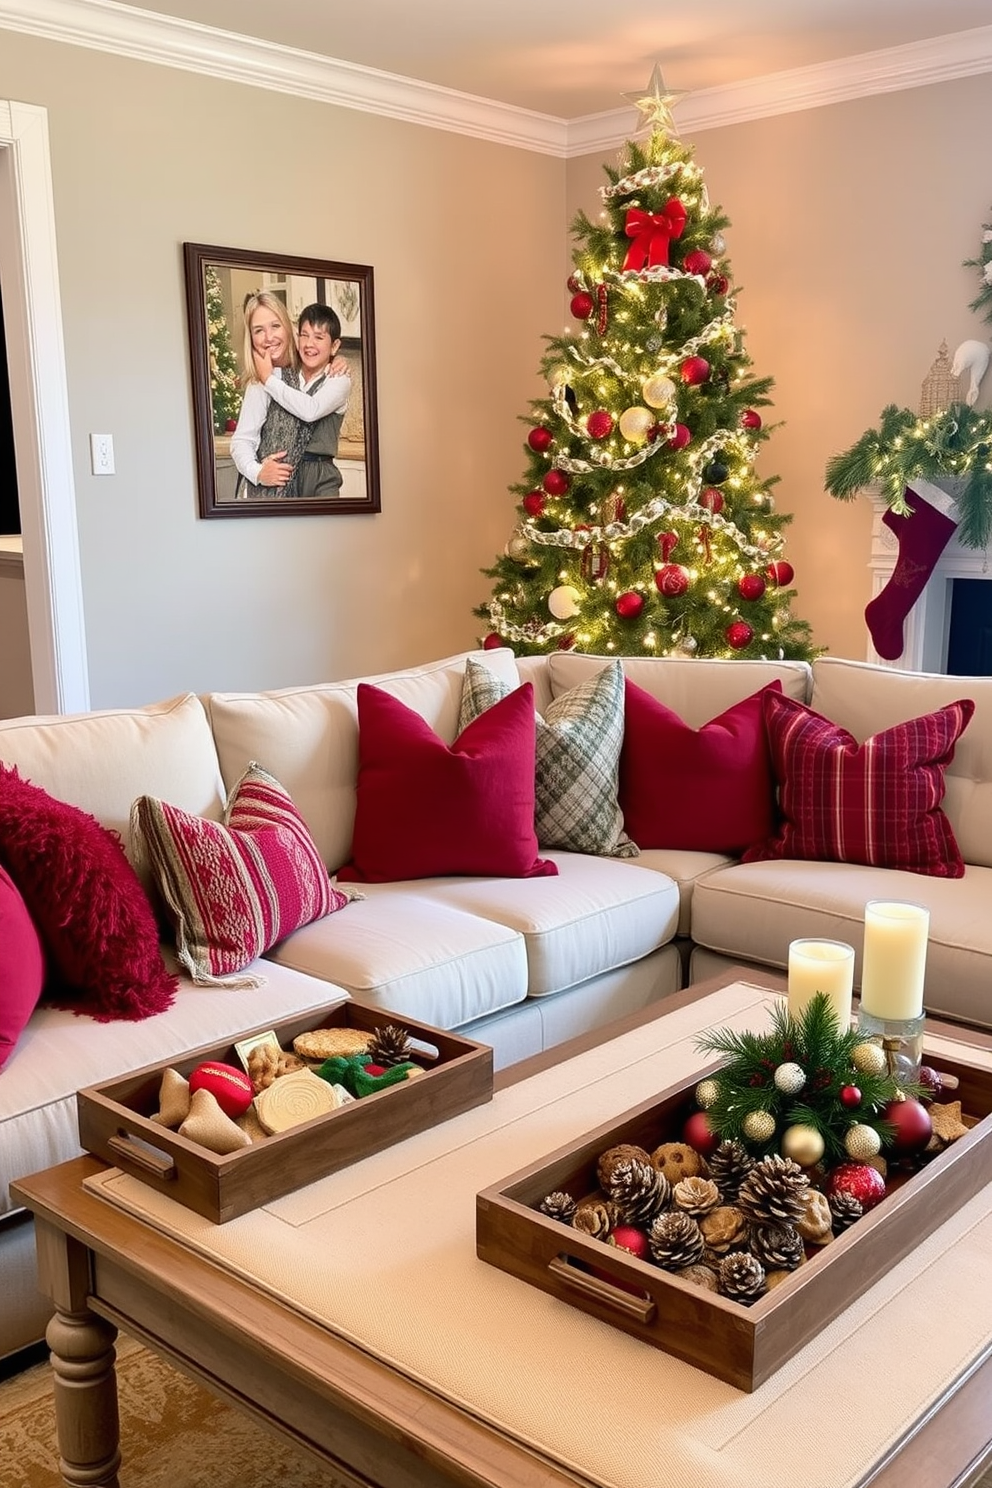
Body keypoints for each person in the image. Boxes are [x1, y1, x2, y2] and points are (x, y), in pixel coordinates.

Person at [229, 293, 351, 500]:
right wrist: (257, 472)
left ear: (288, 328)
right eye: (259, 330)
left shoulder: (320, 372)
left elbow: (312, 408)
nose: (268, 337)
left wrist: (338, 358)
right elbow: (242, 440)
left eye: (275, 326)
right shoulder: (262, 380)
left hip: (317, 481)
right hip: (268, 489)